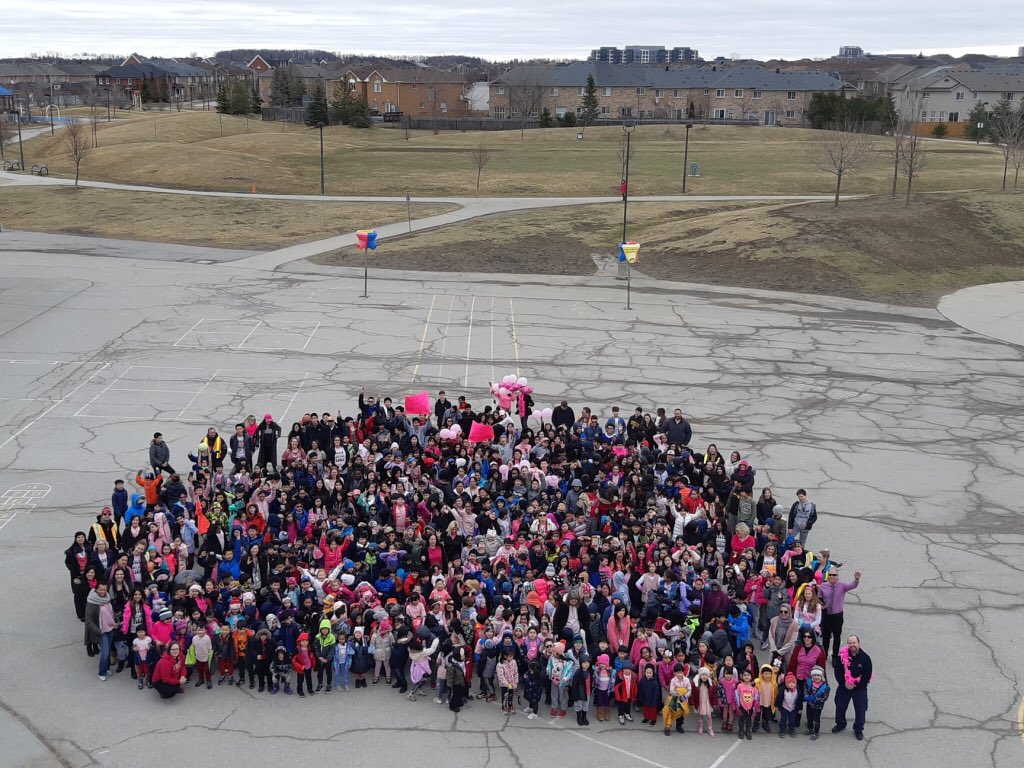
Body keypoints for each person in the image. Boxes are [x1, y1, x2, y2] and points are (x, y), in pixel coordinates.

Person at [832, 635, 872, 740]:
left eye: (854, 643)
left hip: (859, 689)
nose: (852, 645)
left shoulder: (865, 659)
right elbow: (837, 671)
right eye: (850, 643)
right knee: (840, 706)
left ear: (858, 643)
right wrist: (843, 683)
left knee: (860, 710)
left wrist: (855, 685)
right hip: (843, 687)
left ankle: (858, 729)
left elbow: (867, 676)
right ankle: (840, 724)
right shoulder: (841, 656)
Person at [820, 569, 861, 660]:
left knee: (837, 636)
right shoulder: (823, 586)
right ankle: (824, 654)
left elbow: (852, 585)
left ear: (837, 576)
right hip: (826, 615)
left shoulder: (842, 586)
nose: (832, 576)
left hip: (837, 615)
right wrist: (821, 605)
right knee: (825, 636)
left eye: (834, 575)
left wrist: (856, 579)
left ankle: (835, 656)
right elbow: (820, 598)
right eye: (830, 574)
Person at [85, 582, 117, 680]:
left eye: (105, 590)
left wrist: (115, 622)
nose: (103, 592)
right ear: (96, 590)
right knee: (105, 652)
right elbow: (88, 621)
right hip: (102, 631)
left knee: (108, 650)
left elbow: (110, 613)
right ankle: (101, 672)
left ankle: (107, 668)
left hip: (110, 628)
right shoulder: (92, 602)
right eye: (101, 590)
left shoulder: (107, 598)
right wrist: (99, 631)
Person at [803, 665, 830, 739]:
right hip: (809, 704)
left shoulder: (825, 687)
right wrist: (806, 696)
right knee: (809, 717)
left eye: (818, 675)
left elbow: (824, 697)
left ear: (822, 676)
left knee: (816, 719)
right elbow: (805, 689)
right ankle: (810, 728)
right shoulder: (809, 682)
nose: (816, 677)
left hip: (818, 706)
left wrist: (815, 699)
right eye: (814, 675)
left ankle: (816, 732)